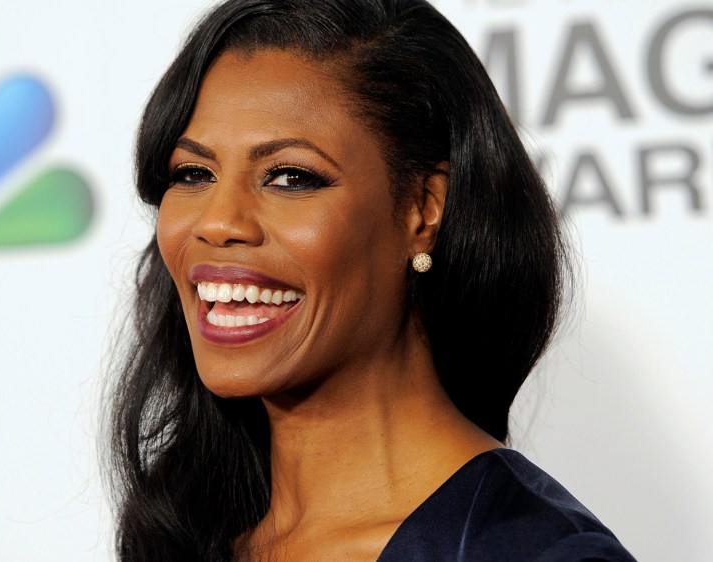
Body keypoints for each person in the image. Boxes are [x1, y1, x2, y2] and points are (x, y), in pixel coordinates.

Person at [107, 0, 636, 560]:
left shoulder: (538, 552)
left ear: (423, 210)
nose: (218, 223)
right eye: (193, 173)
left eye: (290, 177)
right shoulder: (182, 536)